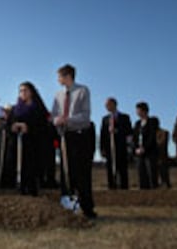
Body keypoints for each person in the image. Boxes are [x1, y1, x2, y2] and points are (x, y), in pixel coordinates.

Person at [52, 64, 97, 219]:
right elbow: (53, 115)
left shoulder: (82, 91)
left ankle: (87, 209)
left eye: (59, 76)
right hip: (65, 137)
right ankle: (67, 208)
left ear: (67, 76)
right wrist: (56, 120)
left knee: (82, 173)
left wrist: (67, 120)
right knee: (66, 173)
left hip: (80, 136)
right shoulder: (58, 95)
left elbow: (85, 116)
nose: (58, 79)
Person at [11, 81, 49, 197]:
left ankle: (33, 192)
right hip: (19, 144)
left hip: (34, 144)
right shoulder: (16, 108)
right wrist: (13, 126)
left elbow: (43, 126)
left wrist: (29, 127)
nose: (23, 93)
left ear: (31, 92)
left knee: (32, 170)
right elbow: (10, 123)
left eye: (25, 90)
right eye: (20, 91)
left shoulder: (38, 108)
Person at [100, 97, 132, 190]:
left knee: (122, 169)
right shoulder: (105, 119)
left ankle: (124, 188)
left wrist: (117, 131)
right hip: (109, 148)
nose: (106, 106)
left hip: (121, 148)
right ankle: (112, 187)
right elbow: (103, 135)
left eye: (108, 104)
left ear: (114, 104)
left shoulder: (125, 117)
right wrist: (102, 149)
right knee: (110, 169)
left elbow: (129, 132)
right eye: (106, 105)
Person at [133, 102, 159, 189]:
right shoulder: (137, 124)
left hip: (150, 152)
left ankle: (154, 191)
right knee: (141, 173)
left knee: (151, 173)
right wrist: (136, 148)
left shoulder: (153, 121)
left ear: (144, 111)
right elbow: (134, 137)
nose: (137, 112)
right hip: (139, 153)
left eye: (138, 110)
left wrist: (145, 148)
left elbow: (152, 136)